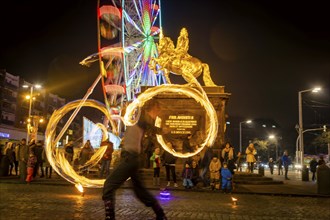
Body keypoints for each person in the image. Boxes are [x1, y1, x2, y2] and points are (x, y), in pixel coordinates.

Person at [102, 101, 167, 220]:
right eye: (157, 109)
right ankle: (160, 214)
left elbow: (148, 125)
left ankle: (109, 218)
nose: (157, 113)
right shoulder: (135, 119)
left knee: (109, 185)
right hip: (133, 159)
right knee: (140, 192)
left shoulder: (141, 118)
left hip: (130, 158)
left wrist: (160, 130)